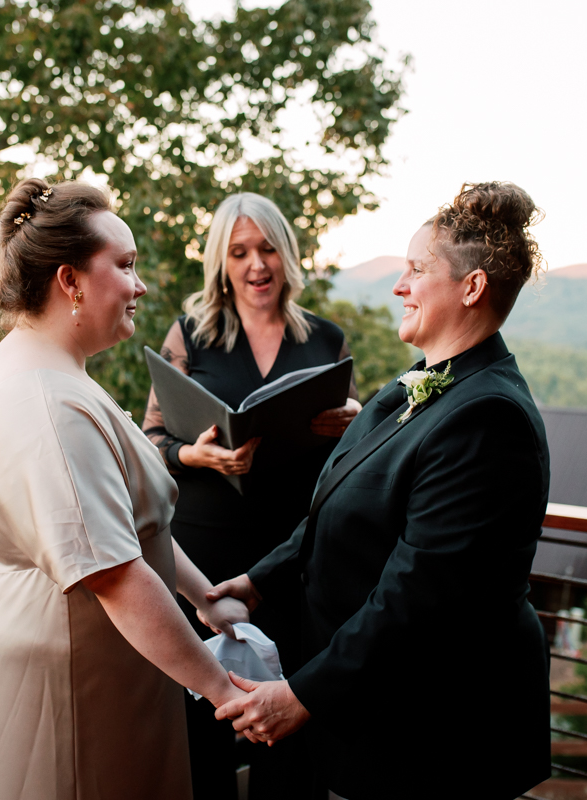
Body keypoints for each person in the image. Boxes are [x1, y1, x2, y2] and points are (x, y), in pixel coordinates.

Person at [209, 182, 553, 799]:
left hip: (441, 731)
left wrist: (305, 694)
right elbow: (335, 502)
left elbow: (419, 592)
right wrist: (260, 580)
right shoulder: (414, 386)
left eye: (417, 270)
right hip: (383, 717)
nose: (400, 286)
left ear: (471, 288)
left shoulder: (488, 418)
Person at [0, 178, 249, 800]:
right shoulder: (44, 402)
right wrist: (224, 692)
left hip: (107, 670)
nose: (140, 286)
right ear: (70, 280)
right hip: (65, 689)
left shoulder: (52, 366)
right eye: (126, 266)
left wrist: (204, 595)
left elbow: (131, 524)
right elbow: (113, 571)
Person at [142, 192, 361, 799]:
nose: (256, 265)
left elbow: (359, 454)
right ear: (221, 260)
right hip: (205, 562)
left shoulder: (327, 339)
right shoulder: (190, 336)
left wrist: (358, 416)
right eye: (239, 252)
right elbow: (149, 439)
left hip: (295, 560)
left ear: (286, 254)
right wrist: (196, 454)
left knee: (291, 728)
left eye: (267, 248)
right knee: (201, 720)